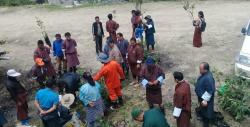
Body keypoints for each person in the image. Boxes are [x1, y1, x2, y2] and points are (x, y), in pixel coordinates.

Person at [195, 62, 215, 127]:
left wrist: (205, 100)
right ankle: (203, 116)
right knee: (203, 110)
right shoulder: (205, 74)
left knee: (206, 113)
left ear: (205, 69)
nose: (199, 70)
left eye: (200, 69)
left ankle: (206, 124)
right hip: (202, 97)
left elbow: (210, 90)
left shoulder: (208, 78)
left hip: (205, 99)